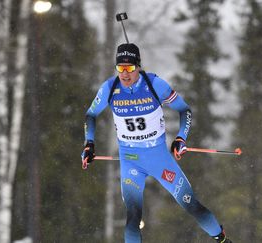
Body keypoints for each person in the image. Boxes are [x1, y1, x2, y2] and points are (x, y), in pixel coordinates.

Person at [81, 43, 232, 243]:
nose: (124, 74)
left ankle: (221, 240)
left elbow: (184, 110)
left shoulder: (154, 84)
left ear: (138, 67)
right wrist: (89, 143)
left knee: (191, 205)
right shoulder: (110, 88)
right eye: (120, 68)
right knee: (133, 218)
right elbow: (91, 114)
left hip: (159, 159)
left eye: (129, 68)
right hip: (131, 159)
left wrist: (181, 138)